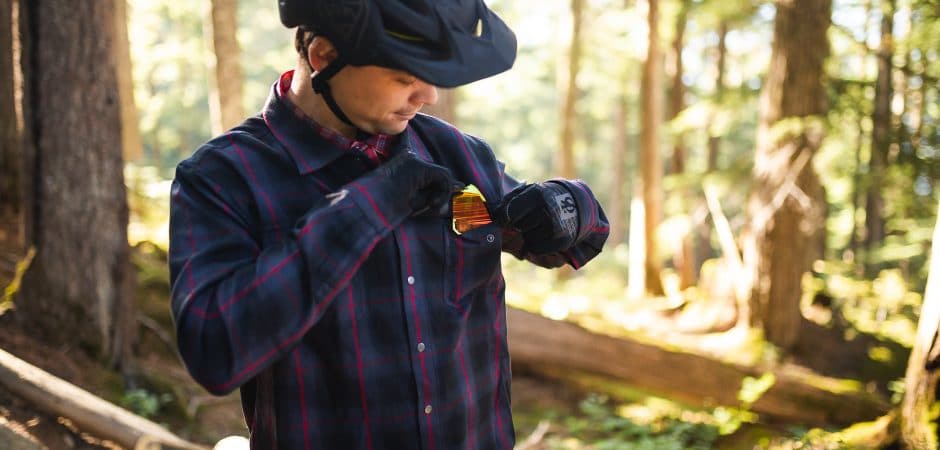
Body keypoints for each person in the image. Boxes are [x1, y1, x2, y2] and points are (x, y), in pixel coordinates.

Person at [168, 0, 609, 448]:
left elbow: (578, 240)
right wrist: (367, 209)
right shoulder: (223, 178)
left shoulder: (455, 153)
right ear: (324, 56)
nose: (428, 95)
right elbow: (213, 353)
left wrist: (564, 207)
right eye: (404, 77)